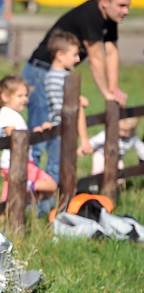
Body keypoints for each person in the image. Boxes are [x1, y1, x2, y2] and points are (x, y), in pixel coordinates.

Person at [22, 0, 131, 168]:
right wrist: (106, 94)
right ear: (104, 1)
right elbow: (96, 57)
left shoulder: (110, 18)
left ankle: (52, 189)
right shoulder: (91, 15)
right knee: (41, 134)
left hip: (58, 74)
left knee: (60, 133)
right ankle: (31, 188)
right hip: (40, 71)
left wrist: (113, 88)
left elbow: (111, 51)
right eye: (121, 5)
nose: (126, 11)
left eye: (128, 5)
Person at [0, 75, 57, 204]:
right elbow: (15, 137)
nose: (25, 99)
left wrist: (35, 134)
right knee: (51, 185)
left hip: (20, 162)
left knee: (10, 200)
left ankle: (8, 221)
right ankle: (27, 186)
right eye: (20, 96)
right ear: (5, 96)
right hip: (15, 163)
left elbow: (21, 137)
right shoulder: (6, 114)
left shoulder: (12, 114)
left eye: (26, 95)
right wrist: (30, 136)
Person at [43, 30, 92, 183]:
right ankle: (48, 205)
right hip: (62, 130)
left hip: (61, 130)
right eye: (74, 55)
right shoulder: (64, 78)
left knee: (60, 168)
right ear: (60, 55)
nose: (78, 59)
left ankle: (57, 202)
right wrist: (84, 139)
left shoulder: (52, 76)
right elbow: (76, 110)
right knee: (57, 169)